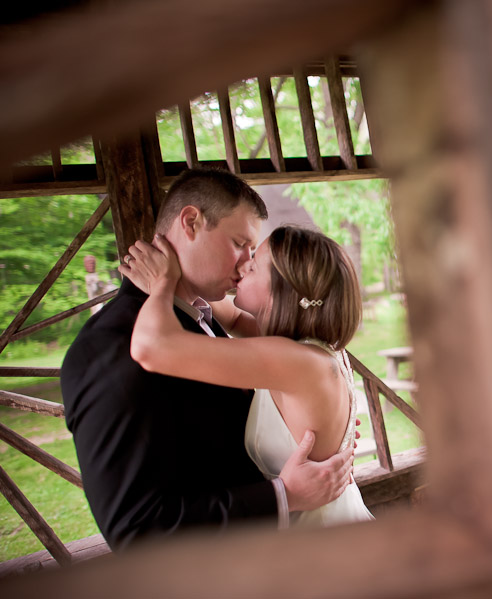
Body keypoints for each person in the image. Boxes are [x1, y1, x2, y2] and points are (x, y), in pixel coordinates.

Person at [61, 168, 355, 551]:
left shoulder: (214, 324)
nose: (245, 263)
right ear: (191, 222)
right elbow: (136, 529)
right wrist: (283, 495)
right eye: (240, 243)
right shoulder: (108, 346)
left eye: (255, 256)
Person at [123, 224, 374, 529]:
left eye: (253, 265)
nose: (242, 267)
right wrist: (186, 267)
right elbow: (234, 316)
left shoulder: (295, 362)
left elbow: (152, 347)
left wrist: (161, 283)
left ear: (282, 289)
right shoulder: (309, 350)